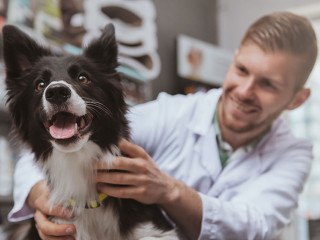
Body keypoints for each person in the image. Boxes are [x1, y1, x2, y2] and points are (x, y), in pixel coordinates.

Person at [8, 11, 318, 240]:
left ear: (296, 99)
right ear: (234, 59)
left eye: (268, 84)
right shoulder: (171, 112)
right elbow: (38, 153)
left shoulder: (295, 153)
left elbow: (255, 226)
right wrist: (40, 195)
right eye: (241, 69)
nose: (245, 90)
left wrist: (168, 190)